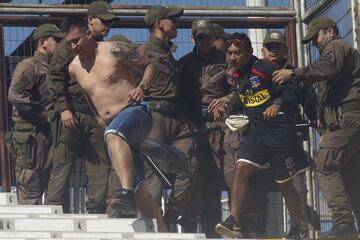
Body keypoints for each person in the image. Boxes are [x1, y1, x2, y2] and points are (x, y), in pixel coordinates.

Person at [67, 23, 168, 232]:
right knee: (139, 185)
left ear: (87, 34)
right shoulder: (74, 68)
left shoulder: (114, 49)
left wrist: (142, 87)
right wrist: (98, 117)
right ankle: (164, 233)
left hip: (135, 112)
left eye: (76, 40)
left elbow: (151, 65)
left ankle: (126, 194)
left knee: (113, 136)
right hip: (113, 124)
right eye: (69, 43)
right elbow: (89, 94)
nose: (74, 46)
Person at [214, 33, 308, 239]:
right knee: (241, 167)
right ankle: (234, 221)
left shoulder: (264, 68)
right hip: (257, 137)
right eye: (229, 53)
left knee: (285, 184)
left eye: (238, 53)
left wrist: (278, 104)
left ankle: (298, 228)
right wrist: (226, 111)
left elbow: (292, 88)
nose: (232, 57)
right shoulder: (238, 75)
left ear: (250, 52)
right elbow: (242, 98)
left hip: (280, 137)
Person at [273, 16, 360, 237]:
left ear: (329, 32)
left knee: (325, 167)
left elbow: (326, 68)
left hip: (348, 119)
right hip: (348, 119)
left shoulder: (336, 46)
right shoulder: (340, 50)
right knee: (348, 173)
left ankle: (344, 223)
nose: (315, 43)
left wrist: (293, 73)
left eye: (316, 37)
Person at [45, 1, 117, 213]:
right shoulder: (70, 45)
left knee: (100, 164)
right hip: (72, 112)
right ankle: (52, 211)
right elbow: (55, 78)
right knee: (62, 163)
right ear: (90, 20)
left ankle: (96, 210)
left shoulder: (105, 47)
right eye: (103, 21)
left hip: (96, 116)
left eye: (110, 22)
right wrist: (64, 108)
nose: (107, 26)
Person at [138, 5, 202, 232]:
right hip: (154, 117)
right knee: (154, 173)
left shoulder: (168, 53)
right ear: (159, 24)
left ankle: (171, 214)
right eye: (173, 20)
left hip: (179, 117)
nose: (177, 24)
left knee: (190, 166)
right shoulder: (144, 51)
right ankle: (151, 227)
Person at [179, 18, 240, 238]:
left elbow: (240, 89)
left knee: (230, 175)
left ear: (214, 38)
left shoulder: (227, 60)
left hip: (221, 128)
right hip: (194, 128)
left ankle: (239, 224)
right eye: (199, 37)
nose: (204, 41)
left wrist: (226, 98)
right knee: (200, 183)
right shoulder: (184, 64)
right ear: (193, 38)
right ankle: (205, 233)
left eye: (207, 37)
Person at [7, 24, 64, 204]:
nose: (60, 44)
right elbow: (15, 95)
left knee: (55, 186)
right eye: (56, 40)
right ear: (43, 42)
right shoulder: (29, 66)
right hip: (32, 133)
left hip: (51, 132)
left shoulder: (56, 68)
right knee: (31, 185)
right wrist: (43, 113)